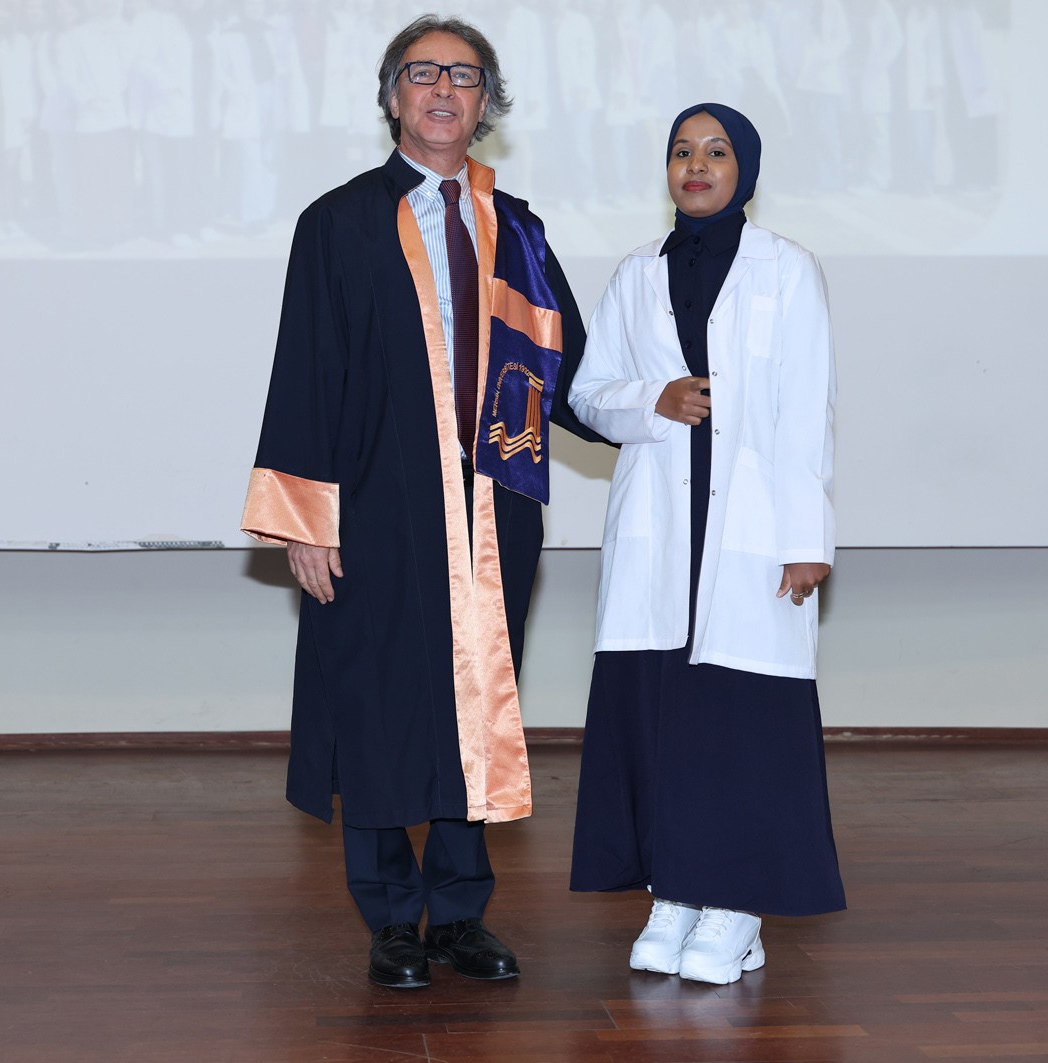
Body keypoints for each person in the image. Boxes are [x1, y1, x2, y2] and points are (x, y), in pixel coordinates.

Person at [240, 15, 603, 991]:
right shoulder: (338, 222)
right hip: (374, 505)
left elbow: (569, 366)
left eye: (465, 76)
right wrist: (304, 518)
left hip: (492, 509)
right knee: (374, 702)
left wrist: (649, 408)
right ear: (393, 95)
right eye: (424, 72)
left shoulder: (515, 228)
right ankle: (393, 918)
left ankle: (460, 911)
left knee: (475, 699)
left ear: (487, 105)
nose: (444, 89)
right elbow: (306, 372)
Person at [567, 103, 843, 985]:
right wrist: (653, 399)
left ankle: (735, 905)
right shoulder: (635, 272)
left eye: (716, 151)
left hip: (752, 531)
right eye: (682, 151)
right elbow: (587, 392)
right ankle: (675, 892)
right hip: (660, 534)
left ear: (744, 170)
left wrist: (805, 537)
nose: (696, 165)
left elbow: (806, 411)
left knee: (740, 723)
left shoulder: (787, 270)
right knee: (663, 721)